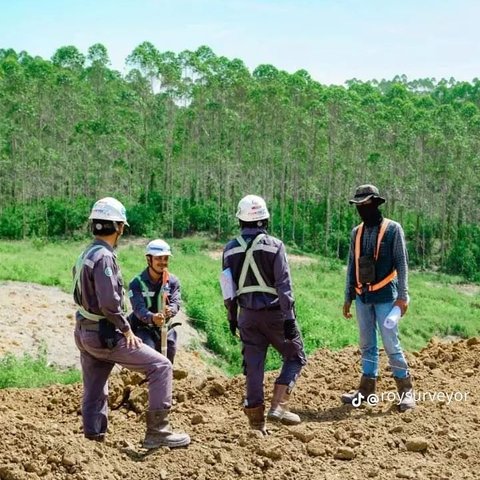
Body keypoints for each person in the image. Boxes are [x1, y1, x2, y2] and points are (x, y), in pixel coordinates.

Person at [73, 197, 190, 448]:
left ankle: (93, 439)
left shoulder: (86, 253)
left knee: (94, 387)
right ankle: (158, 431)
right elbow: (109, 302)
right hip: (106, 333)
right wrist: (126, 329)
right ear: (118, 227)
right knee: (161, 367)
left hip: (84, 331)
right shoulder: (105, 257)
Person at [222, 194, 307, 434]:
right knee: (295, 356)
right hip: (275, 315)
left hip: (246, 316)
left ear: (240, 220)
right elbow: (284, 285)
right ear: (265, 220)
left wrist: (232, 317)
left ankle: (257, 424)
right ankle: (278, 406)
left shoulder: (229, 250)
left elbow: (228, 290)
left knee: (253, 366)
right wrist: (289, 319)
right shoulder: (275, 245)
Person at [342, 185, 415, 411]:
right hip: (363, 297)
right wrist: (348, 296)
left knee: (390, 342)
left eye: (366, 205)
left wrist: (402, 297)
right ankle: (366, 389)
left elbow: (402, 265)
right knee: (366, 344)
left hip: (386, 296)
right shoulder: (357, 232)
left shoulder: (393, 230)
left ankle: (405, 390)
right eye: (359, 206)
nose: (363, 209)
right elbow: (351, 265)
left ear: (375, 203)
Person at [128, 239, 181, 364]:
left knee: (170, 348)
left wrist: (171, 310)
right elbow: (138, 309)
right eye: (158, 258)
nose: (163, 262)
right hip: (143, 327)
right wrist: (152, 317)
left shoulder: (172, 281)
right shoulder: (136, 283)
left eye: (165, 258)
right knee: (148, 352)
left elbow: (176, 301)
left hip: (165, 327)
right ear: (149, 259)